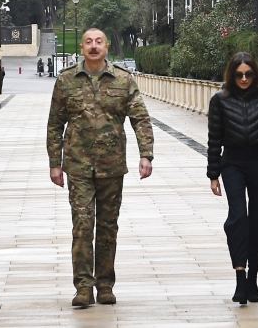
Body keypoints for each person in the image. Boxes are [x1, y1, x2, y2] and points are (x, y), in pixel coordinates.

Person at [46, 27, 154, 308]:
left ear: (107, 47)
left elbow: (140, 118)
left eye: (99, 42)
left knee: (107, 227)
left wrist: (146, 155)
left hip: (112, 165)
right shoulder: (66, 80)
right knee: (82, 225)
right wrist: (55, 164)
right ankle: (83, 286)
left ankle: (105, 284)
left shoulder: (123, 79)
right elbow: (55, 124)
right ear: (82, 48)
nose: (94, 46)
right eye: (88, 42)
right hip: (78, 166)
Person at [207, 51, 258, 305]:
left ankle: (253, 276)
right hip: (232, 162)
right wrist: (213, 174)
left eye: (248, 74)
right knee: (238, 217)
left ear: (255, 74)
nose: (244, 79)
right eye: (239, 75)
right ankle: (239, 275)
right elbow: (214, 140)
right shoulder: (220, 100)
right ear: (232, 75)